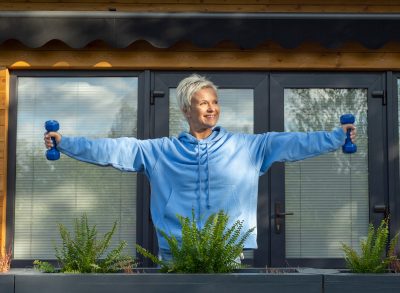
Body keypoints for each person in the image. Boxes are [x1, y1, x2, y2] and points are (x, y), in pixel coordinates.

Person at [44, 74, 356, 262]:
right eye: (203, 102)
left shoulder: (247, 147)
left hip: (226, 252)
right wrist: (66, 142)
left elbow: (293, 143)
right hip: (174, 253)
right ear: (185, 109)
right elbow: (111, 149)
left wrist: (334, 138)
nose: (211, 107)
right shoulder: (160, 151)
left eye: (215, 102)